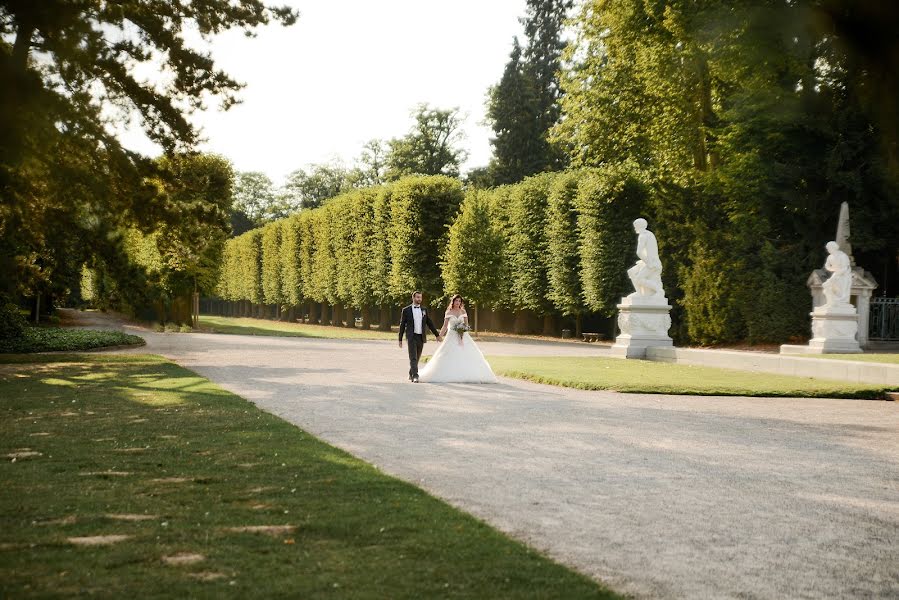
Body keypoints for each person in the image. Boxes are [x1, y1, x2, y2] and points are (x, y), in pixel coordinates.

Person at [417, 294, 497, 384]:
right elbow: (445, 326)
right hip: (451, 336)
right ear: (453, 301)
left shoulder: (463, 311)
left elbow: (466, 325)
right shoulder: (449, 312)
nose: (457, 303)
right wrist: (439, 335)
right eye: (456, 301)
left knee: (467, 354)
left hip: (464, 337)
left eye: (459, 301)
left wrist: (462, 330)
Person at [398, 291, 441, 383]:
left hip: (421, 336)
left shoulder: (424, 310)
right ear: (413, 298)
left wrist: (436, 334)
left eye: (420, 298)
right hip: (411, 336)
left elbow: (429, 323)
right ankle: (415, 376)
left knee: (417, 356)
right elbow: (402, 325)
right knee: (413, 356)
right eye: (417, 297)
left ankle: (411, 373)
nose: (419, 299)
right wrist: (400, 339)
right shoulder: (406, 310)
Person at [626, 218, 664, 299]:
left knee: (639, 279)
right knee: (631, 272)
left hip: (651, 262)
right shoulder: (650, 234)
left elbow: (639, 252)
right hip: (648, 261)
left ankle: (659, 290)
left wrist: (648, 263)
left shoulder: (643, 236)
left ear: (638, 226)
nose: (634, 228)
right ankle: (639, 293)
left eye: (635, 226)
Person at [822, 241, 852, 308]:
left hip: (844, 276)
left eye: (829, 248)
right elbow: (827, 266)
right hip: (836, 274)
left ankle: (840, 302)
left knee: (840, 290)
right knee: (827, 286)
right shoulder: (830, 257)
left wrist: (836, 274)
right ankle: (830, 302)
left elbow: (845, 268)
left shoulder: (843, 256)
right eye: (827, 248)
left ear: (834, 247)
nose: (828, 250)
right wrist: (833, 269)